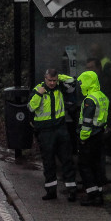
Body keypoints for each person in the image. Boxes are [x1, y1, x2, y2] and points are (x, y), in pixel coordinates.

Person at [28, 69, 78, 201]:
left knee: (67, 160)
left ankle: (72, 191)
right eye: (49, 80)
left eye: (54, 80)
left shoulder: (60, 87)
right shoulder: (37, 90)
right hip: (45, 131)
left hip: (60, 129)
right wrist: (39, 95)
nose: (51, 83)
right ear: (45, 78)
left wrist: (60, 77)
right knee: (48, 162)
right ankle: (51, 191)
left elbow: (72, 81)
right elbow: (30, 107)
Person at [76, 70, 110, 206]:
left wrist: (83, 138)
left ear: (88, 82)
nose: (80, 86)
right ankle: (99, 194)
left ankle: (92, 195)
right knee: (97, 165)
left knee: (85, 165)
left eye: (82, 83)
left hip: (90, 137)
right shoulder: (102, 96)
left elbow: (87, 122)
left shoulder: (89, 100)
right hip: (100, 135)